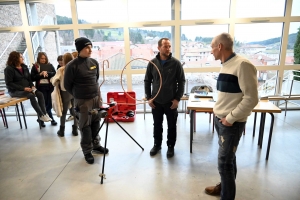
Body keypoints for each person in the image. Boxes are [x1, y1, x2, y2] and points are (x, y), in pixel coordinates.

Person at [205, 33, 258, 199]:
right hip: (221, 121)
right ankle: (223, 188)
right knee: (229, 159)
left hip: (231, 124)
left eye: (212, 47)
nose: (211, 51)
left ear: (219, 47)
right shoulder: (226, 64)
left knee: (224, 164)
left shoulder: (242, 65)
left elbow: (252, 98)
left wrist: (231, 118)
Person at [64, 37, 108, 164]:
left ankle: (96, 145)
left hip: (95, 99)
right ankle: (87, 151)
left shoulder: (94, 62)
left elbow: (96, 79)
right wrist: (79, 96)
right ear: (79, 49)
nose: (90, 50)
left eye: (91, 47)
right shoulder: (71, 66)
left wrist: (97, 97)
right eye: (87, 47)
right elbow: (67, 85)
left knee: (96, 123)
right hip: (82, 101)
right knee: (85, 127)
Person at [144, 38, 185, 158]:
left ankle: (171, 147)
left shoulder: (176, 63)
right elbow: (147, 81)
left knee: (172, 126)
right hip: (156, 102)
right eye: (165, 46)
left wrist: (177, 99)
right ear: (159, 48)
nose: (168, 49)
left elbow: (181, 82)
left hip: (170, 102)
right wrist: (149, 98)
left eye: (169, 46)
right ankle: (157, 145)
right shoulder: (152, 63)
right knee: (157, 125)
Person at [4, 51, 52, 124]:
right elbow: (9, 83)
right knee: (31, 95)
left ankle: (45, 114)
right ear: (15, 58)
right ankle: (41, 115)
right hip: (15, 91)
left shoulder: (24, 67)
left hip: (28, 89)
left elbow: (29, 79)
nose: (23, 58)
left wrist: (32, 86)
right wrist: (23, 88)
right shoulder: (9, 69)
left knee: (40, 94)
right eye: (20, 57)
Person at [51, 53, 78, 137]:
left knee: (64, 111)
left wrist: (54, 80)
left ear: (64, 60)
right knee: (75, 110)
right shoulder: (76, 68)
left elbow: (54, 81)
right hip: (75, 91)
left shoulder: (61, 69)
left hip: (65, 91)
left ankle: (62, 130)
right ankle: (75, 130)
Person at [31, 52, 57, 126]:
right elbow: (32, 77)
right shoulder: (35, 66)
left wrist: (47, 73)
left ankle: (42, 117)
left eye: (45, 58)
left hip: (50, 86)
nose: (43, 60)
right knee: (43, 103)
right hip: (41, 87)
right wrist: (40, 74)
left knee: (50, 103)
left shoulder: (50, 65)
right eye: (42, 58)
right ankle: (47, 118)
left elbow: (54, 73)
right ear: (39, 58)